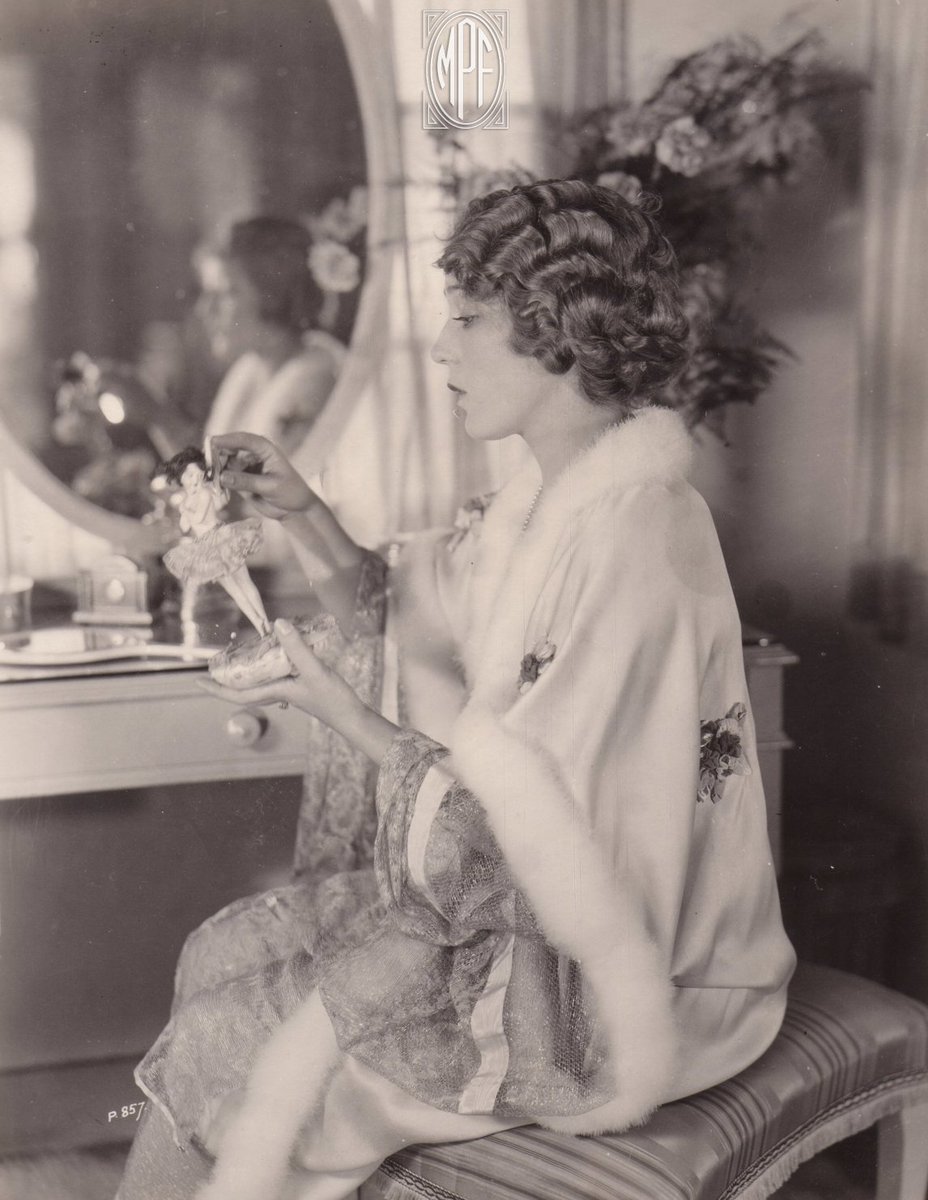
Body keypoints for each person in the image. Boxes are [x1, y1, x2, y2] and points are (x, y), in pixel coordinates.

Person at [117, 179, 795, 1200]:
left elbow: (541, 837)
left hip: (612, 977)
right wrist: (303, 510)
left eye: (468, 320)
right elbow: (416, 620)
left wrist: (341, 711)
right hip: (518, 905)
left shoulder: (639, 530)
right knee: (225, 948)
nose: (442, 351)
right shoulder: (545, 493)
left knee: (235, 1032)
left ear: (560, 333)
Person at [198, 216, 345, 456]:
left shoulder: (317, 375)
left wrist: (160, 420)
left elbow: (258, 489)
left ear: (272, 294)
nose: (206, 309)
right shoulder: (249, 368)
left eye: (225, 293)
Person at [161, 446, 269, 636]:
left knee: (245, 582)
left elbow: (200, 517)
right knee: (234, 591)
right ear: (181, 479)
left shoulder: (204, 493)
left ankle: (266, 621)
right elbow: (185, 527)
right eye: (188, 475)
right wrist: (184, 510)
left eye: (196, 473)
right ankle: (259, 625)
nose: (193, 478)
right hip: (206, 548)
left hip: (223, 539)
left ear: (203, 474)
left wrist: (185, 510)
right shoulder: (187, 499)